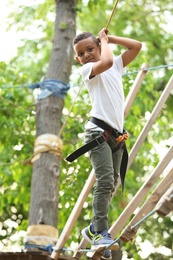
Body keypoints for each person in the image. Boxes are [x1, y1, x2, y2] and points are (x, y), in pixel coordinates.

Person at [73, 28, 142, 250]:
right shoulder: (88, 70)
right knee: (104, 181)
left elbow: (136, 46)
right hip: (97, 133)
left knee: (111, 183)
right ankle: (99, 230)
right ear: (78, 60)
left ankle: (95, 228)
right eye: (81, 53)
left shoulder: (116, 66)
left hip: (115, 136)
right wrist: (102, 43)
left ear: (100, 47)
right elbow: (108, 61)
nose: (86, 55)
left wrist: (109, 38)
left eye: (90, 49)